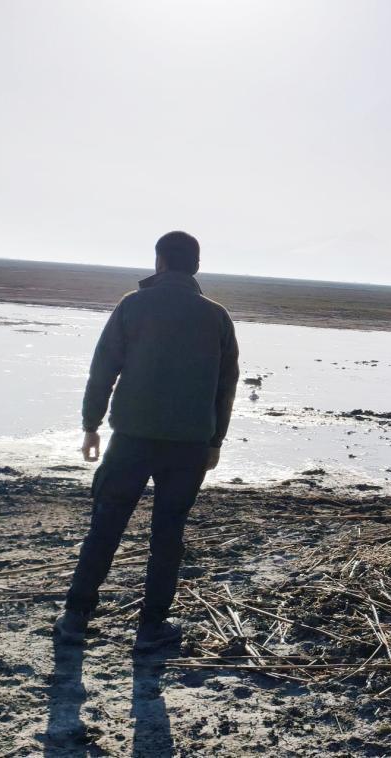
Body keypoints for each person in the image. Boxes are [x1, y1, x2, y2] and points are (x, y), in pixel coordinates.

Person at [53, 231, 239, 653]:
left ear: (159, 262)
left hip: (131, 442)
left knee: (105, 527)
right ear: (196, 265)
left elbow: (103, 369)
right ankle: (151, 627)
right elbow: (226, 386)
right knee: (168, 536)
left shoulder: (132, 305)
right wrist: (215, 441)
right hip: (189, 447)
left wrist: (90, 425)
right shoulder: (217, 317)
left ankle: (76, 617)